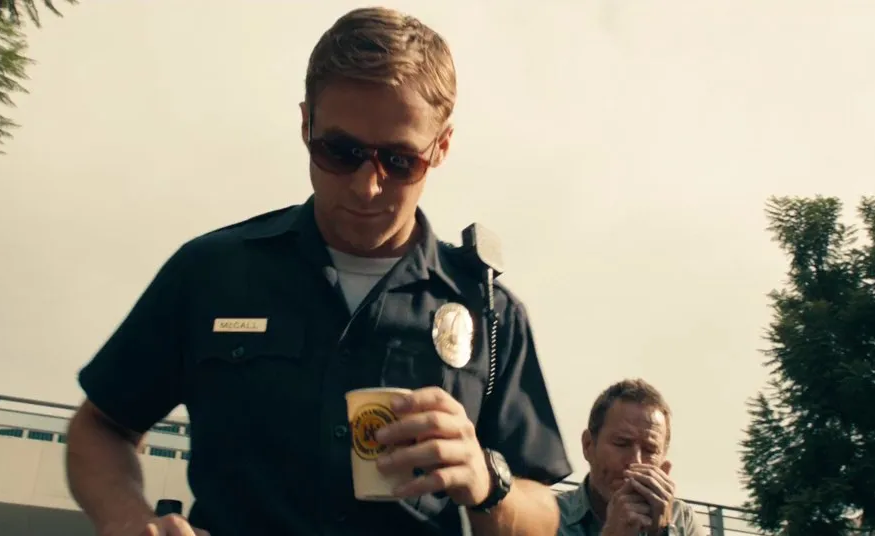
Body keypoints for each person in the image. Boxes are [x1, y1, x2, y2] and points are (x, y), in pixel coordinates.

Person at [63, 7, 572, 536]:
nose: (366, 186)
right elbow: (101, 427)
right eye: (341, 152)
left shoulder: (488, 311)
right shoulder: (211, 273)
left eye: (399, 160)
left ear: (440, 147)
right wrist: (130, 523)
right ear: (306, 124)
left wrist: (488, 482)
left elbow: (544, 511)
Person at [557, 379, 701, 536]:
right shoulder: (548, 518)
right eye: (622, 444)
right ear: (588, 446)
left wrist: (661, 531)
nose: (635, 461)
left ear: (663, 464)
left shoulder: (683, 521)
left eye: (649, 450)